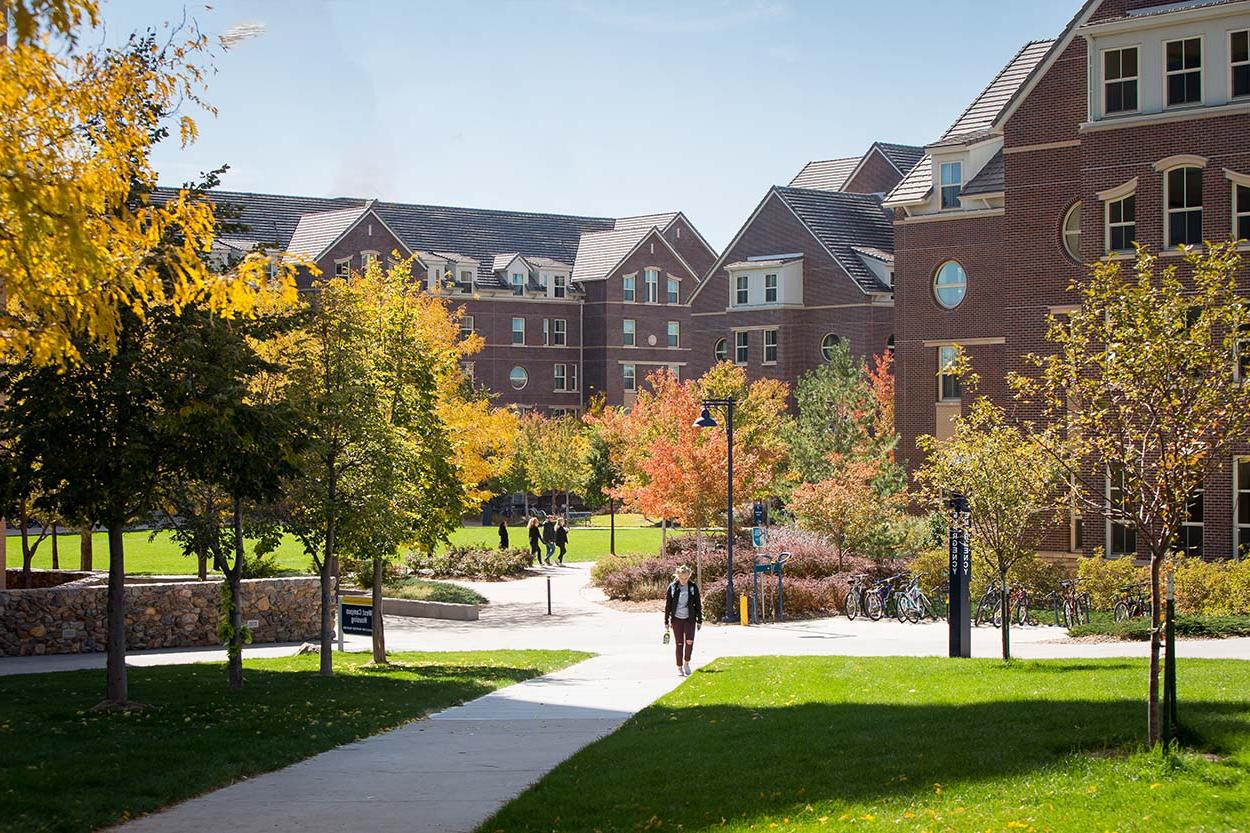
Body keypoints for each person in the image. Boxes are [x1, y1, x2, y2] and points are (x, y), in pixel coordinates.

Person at [664, 565, 702, 677]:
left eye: (686, 578)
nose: (684, 580)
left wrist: (699, 620)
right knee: (679, 644)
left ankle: (686, 663)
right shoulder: (672, 587)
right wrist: (666, 621)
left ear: (689, 576)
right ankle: (679, 667)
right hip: (677, 619)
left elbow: (698, 604)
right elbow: (668, 605)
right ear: (678, 576)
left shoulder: (693, 587)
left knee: (689, 641)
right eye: (682, 578)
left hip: (689, 619)